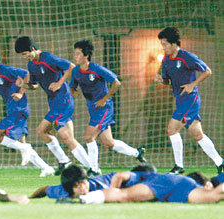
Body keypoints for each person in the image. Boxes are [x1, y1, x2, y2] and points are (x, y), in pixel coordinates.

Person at [14, 36, 94, 175]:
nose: (25, 57)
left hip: (63, 100)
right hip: (54, 103)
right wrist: (24, 85)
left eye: (25, 54)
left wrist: (59, 83)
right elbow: (35, 85)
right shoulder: (31, 65)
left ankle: (91, 168)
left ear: (32, 49)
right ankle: (70, 163)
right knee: (61, 136)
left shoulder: (48, 58)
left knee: (48, 132)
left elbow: (71, 67)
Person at [0, 45, 54, 177]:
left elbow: (26, 75)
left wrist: (20, 93)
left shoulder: (6, 70)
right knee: (22, 144)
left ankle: (26, 149)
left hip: (19, 110)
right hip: (12, 111)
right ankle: (46, 168)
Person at [70, 40, 146, 173]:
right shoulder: (76, 71)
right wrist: (74, 92)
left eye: (78, 54)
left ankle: (94, 169)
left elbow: (116, 83)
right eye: (74, 54)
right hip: (92, 108)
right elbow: (73, 86)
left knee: (89, 137)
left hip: (104, 108)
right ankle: (136, 153)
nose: (75, 56)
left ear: (86, 56)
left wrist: (105, 99)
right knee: (108, 143)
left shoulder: (96, 68)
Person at [154, 27, 223, 174]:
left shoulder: (186, 57)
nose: (163, 47)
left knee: (172, 129)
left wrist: (193, 84)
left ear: (174, 43)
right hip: (180, 99)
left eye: (165, 44)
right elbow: (168, 81)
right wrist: (162, 80)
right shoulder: (166, 60)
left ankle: (179, 166)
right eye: (162, 44)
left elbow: (207, 71)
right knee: (198, 135)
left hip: (190, 99)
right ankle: (220, 162)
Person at [76, 170, 224, 204]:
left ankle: (86, 199)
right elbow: (119, 176)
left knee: (124, 195)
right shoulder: (138, 175)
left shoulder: (150, 176)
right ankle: (86, 199)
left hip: (175, 183)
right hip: (177, 183)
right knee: (124, 196)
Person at [30, 163, 156, 200]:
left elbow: (120, 177)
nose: (82, 188)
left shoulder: (103, 185)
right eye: (77, 186)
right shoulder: (62, 191)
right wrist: (30, 198)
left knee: (149, 172)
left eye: (83, 183)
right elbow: (44, 189)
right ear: (70, 188)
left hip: (131, 180)